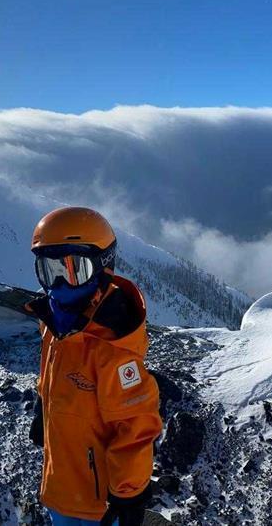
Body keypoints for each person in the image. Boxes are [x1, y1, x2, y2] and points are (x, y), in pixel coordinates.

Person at [25, 207, 162, 526]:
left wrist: (129, 494)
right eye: (49, 270)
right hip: (61, 486)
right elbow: (52, 375)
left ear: (102, 267)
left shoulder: (111, 348)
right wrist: (44, 407)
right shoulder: (54, 324)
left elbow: (135, 425)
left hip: (99, 503)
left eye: (74, 269)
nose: (59, 283)